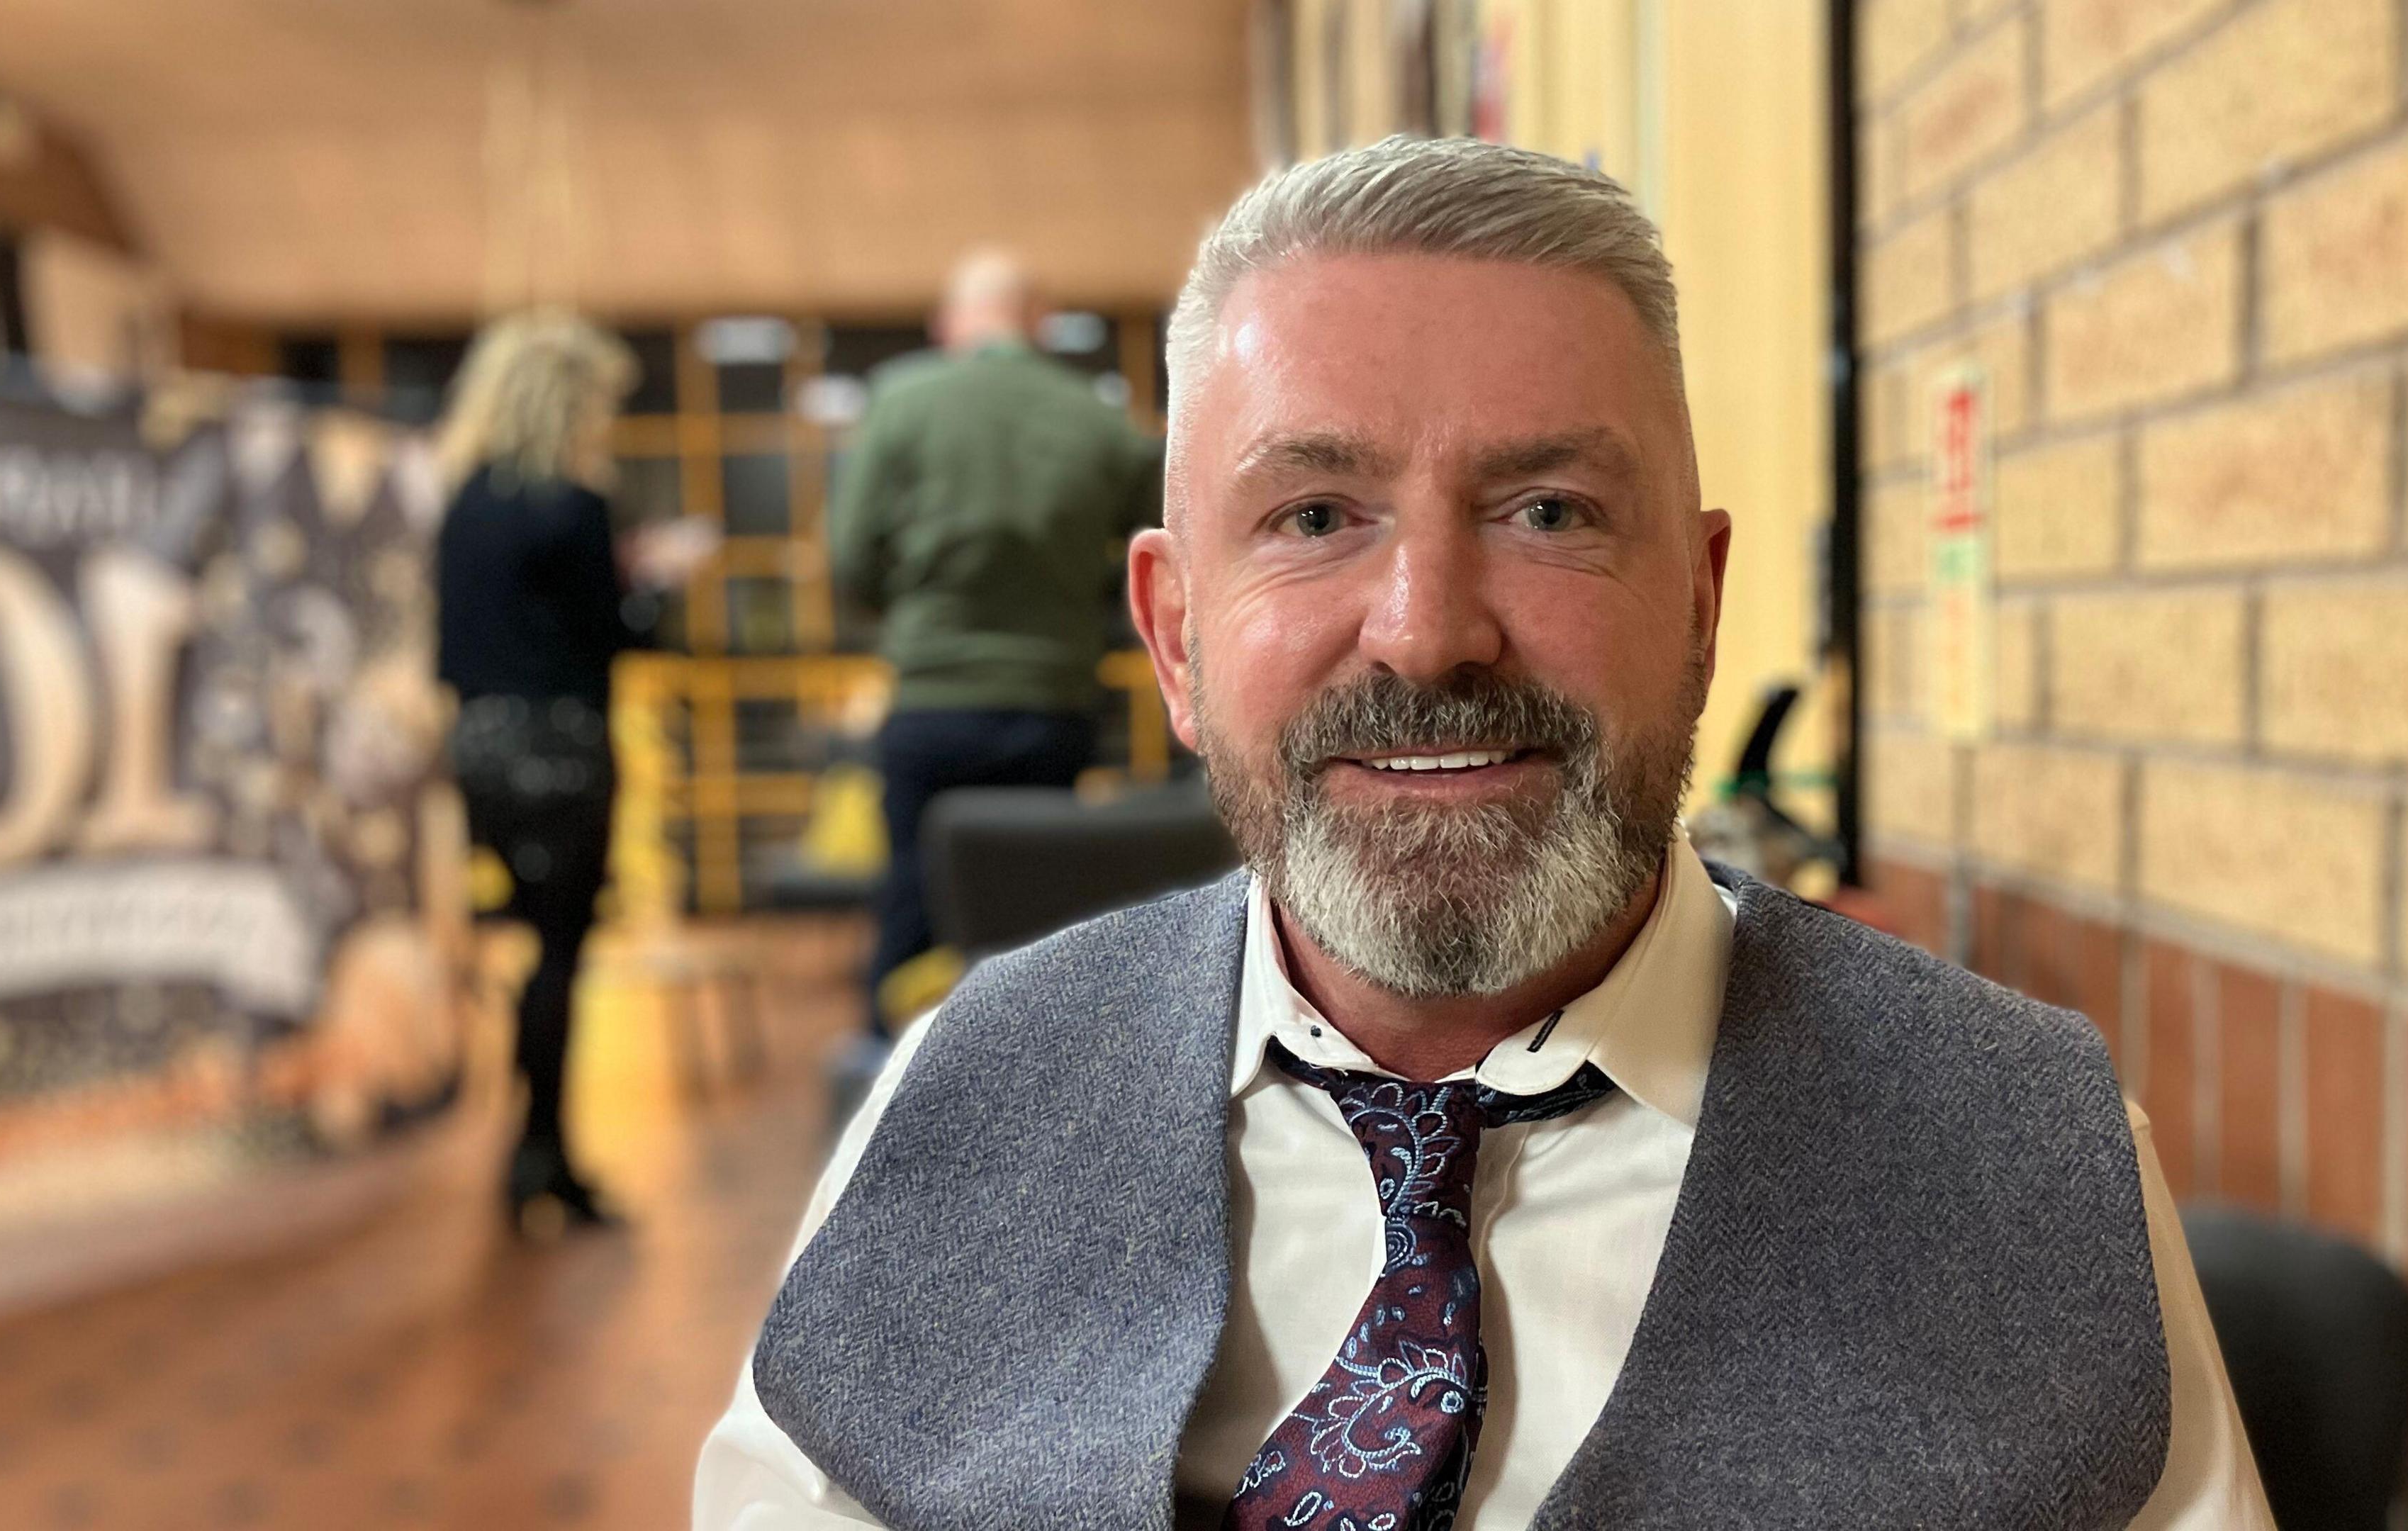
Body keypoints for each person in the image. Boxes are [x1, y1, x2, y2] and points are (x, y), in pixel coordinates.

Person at [700, 139, 2270, 1527]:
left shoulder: (2021, 1164)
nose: (1428, 634)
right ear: (1177, 637)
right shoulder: (967, 1090)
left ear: (1702, 610)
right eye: (1315, 517)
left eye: (1551, 515)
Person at [829, 247, 1162, 1066]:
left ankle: (893, 1089)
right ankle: (1036, 1093)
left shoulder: (901, 403)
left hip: (931, 703)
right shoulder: (1098, 420)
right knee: (1033, 920)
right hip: (1052, 706)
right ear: (1040, 323)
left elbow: (848, 560)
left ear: (951, 325)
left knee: (912, 898)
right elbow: (1159, 553)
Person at [433, 313, 710, 1238]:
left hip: (476, 748)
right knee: (560, 957)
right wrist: (658, 580)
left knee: (527, 953)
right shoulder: (572, 503)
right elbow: (616, 638)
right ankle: (540, 1160)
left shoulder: (462, 498)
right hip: (559, 747)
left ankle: (538, 1153)